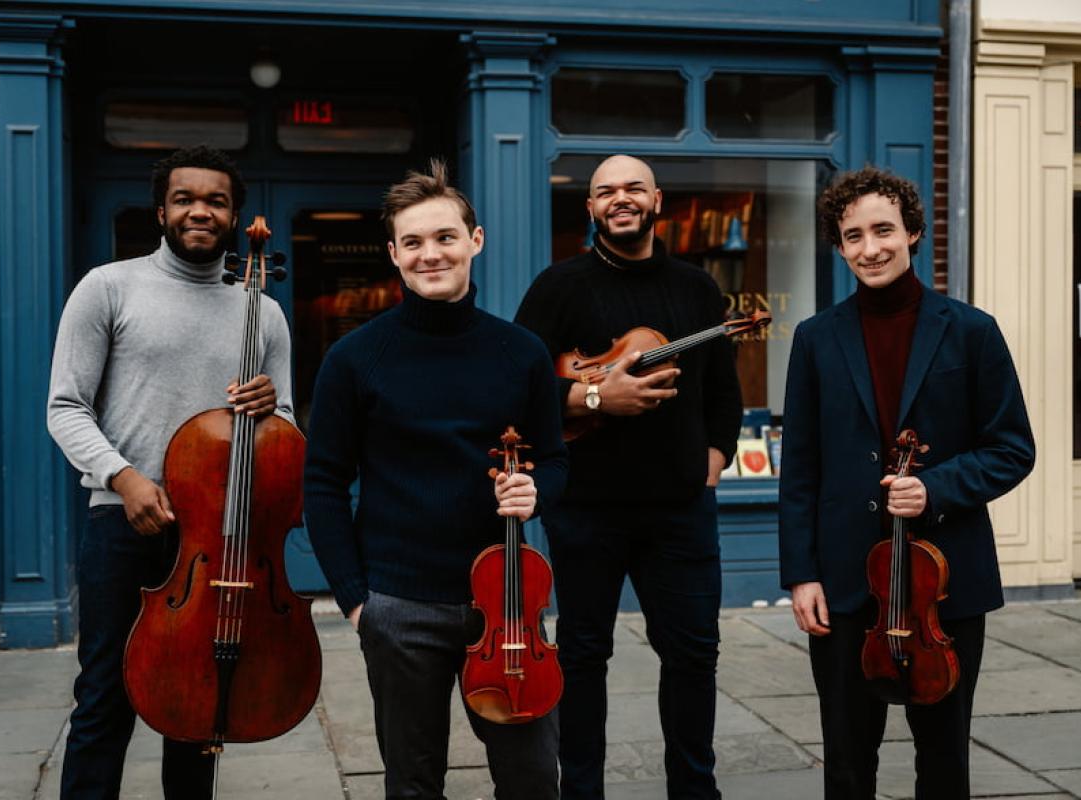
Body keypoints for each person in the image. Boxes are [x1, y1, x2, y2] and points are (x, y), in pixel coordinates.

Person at [304, 159, 568, 800]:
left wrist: (536, 493)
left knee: (533, 779)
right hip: (399, 605)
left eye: (445, 237)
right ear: (394, 255)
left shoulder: (521, 352)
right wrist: (357, 602)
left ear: (474, 241)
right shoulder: (355, 357)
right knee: (414, 780)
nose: (431, 255)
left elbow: (554, 461)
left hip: (508, 606)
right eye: (414, 243)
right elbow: (323, 482)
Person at [778, 166, 1035, 799]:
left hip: (942, 581)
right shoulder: (815, 339)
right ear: (839, 247)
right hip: (842, 577)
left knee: (944, 757)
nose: (871, 248)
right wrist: (801, 573)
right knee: (845, 757)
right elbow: (801, 468)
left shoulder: (972, 331)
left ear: (913, 232)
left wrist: (937, 487)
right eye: (854, 235)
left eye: (884, 230)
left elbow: (1012, 449)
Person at [47, 145, 291, 800]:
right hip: (122, 525)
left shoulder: (261, 311)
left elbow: (286, 430)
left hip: (218, 537)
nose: (199, 210)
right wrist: (123, 478)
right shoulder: (108, 287)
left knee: (200, 700)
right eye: (185, 198)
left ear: (235, 215)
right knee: (104, 696)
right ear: (161, 210)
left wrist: (274, 410)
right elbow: (65, 407)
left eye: (216, 200)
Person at [515, 154, 743, 800]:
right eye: (606, 190)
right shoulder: (558, 286)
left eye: (633, 188)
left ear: (656, 201)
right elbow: (520, 384)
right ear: (589, 208)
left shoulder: (697, 287)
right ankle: (581, 792)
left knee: (695, 654)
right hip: (586, 507)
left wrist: (717, 458)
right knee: (584, 656)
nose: (620, 198)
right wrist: (592, 400)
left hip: (680, 508)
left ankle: (694, 791)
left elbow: (723, 391)